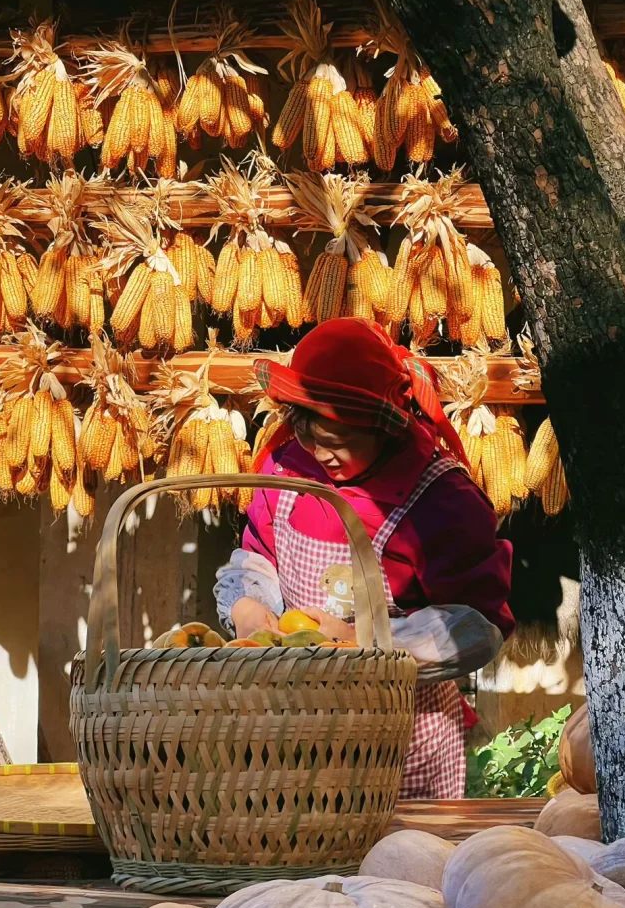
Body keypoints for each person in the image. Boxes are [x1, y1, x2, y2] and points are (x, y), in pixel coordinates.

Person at [215, 318, 515, 799]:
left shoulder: (442, 499)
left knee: (398, 866)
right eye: (313, 439)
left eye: (340, 444)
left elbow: (476, 627)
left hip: (401, 730)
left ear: (382, 427)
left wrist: (364, 642)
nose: (322, 456)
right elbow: (257, 556)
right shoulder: (289, 467)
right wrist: (249, 610)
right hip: (296, 726)